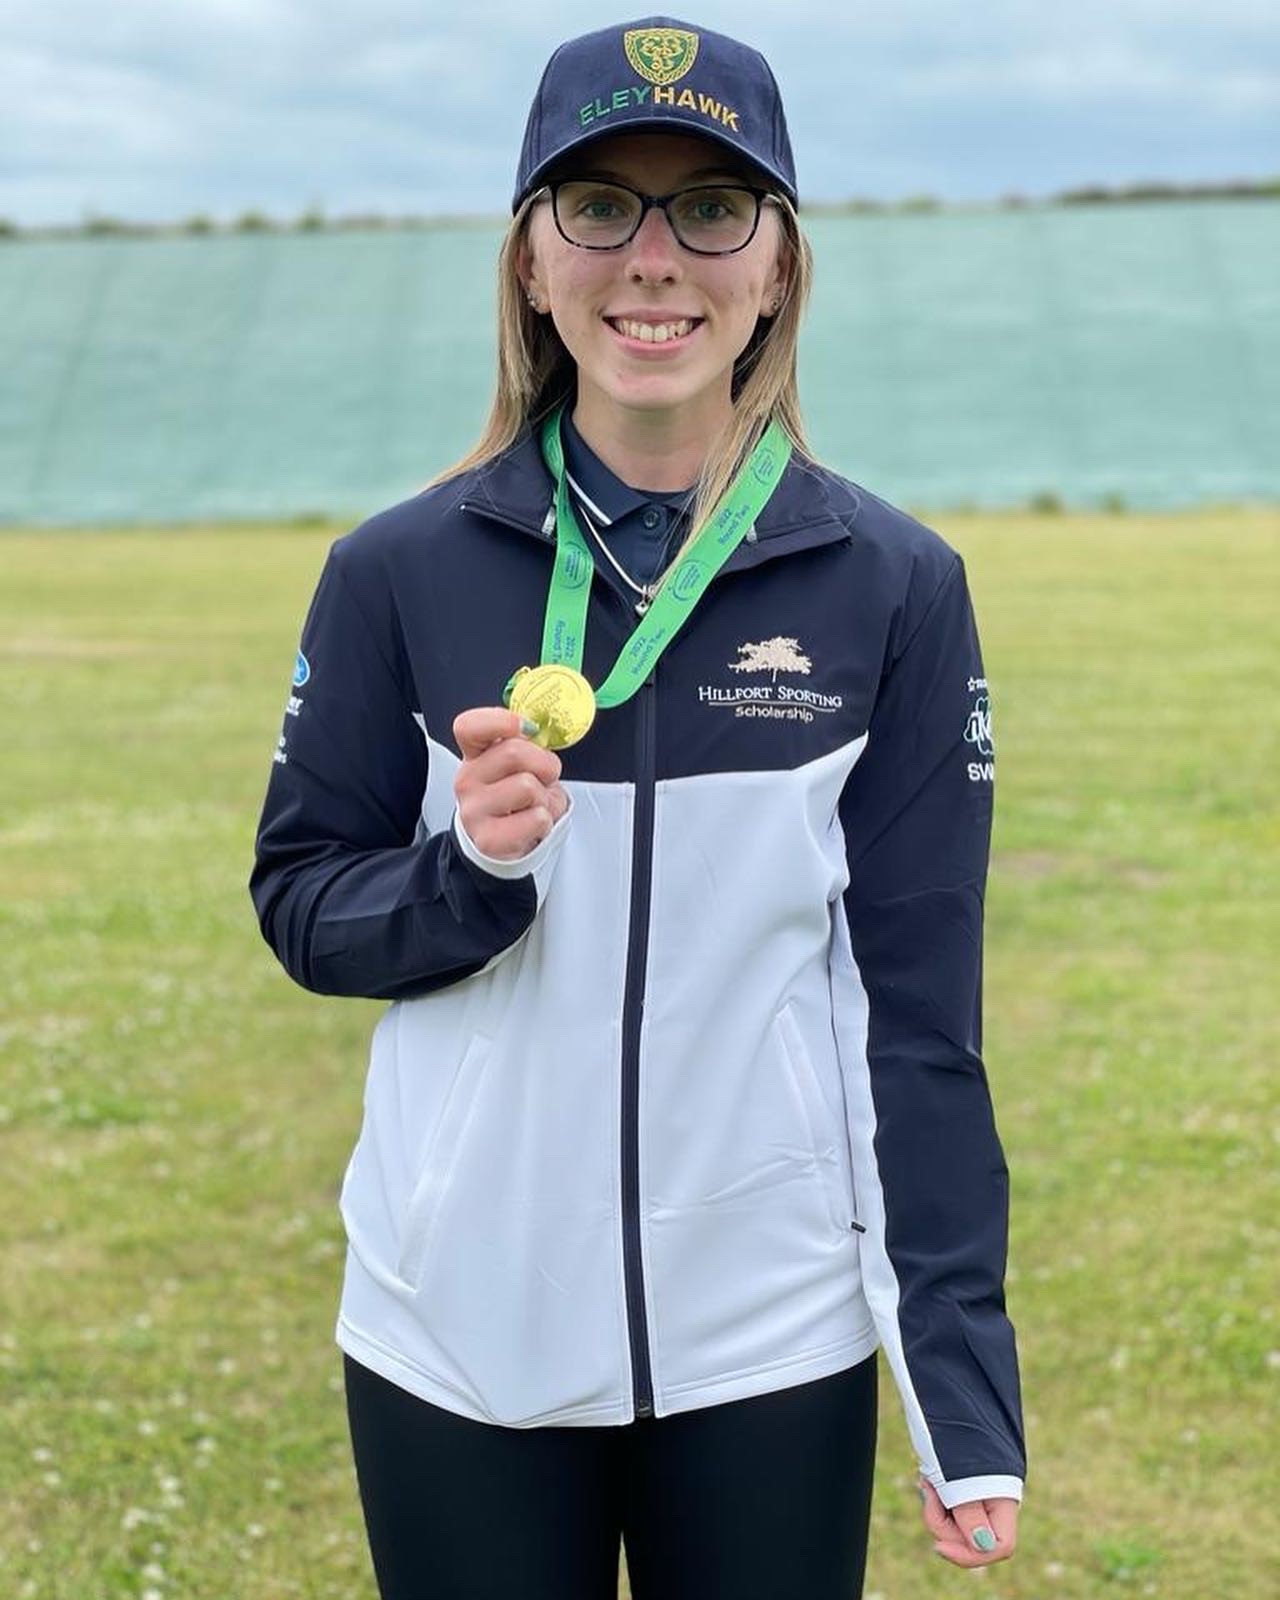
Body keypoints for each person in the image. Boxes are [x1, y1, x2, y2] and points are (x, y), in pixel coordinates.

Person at [249, 16, 1026, 1599]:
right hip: (455, 1332)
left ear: (780, 266)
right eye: (599, 205)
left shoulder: (894, 589)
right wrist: (465, 870)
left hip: (768, 1338)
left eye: (710, 207)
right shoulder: (395, 572)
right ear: (533, 261)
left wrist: (957, 1385)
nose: (653, 259)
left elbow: (920, 1019)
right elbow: (303, 908)